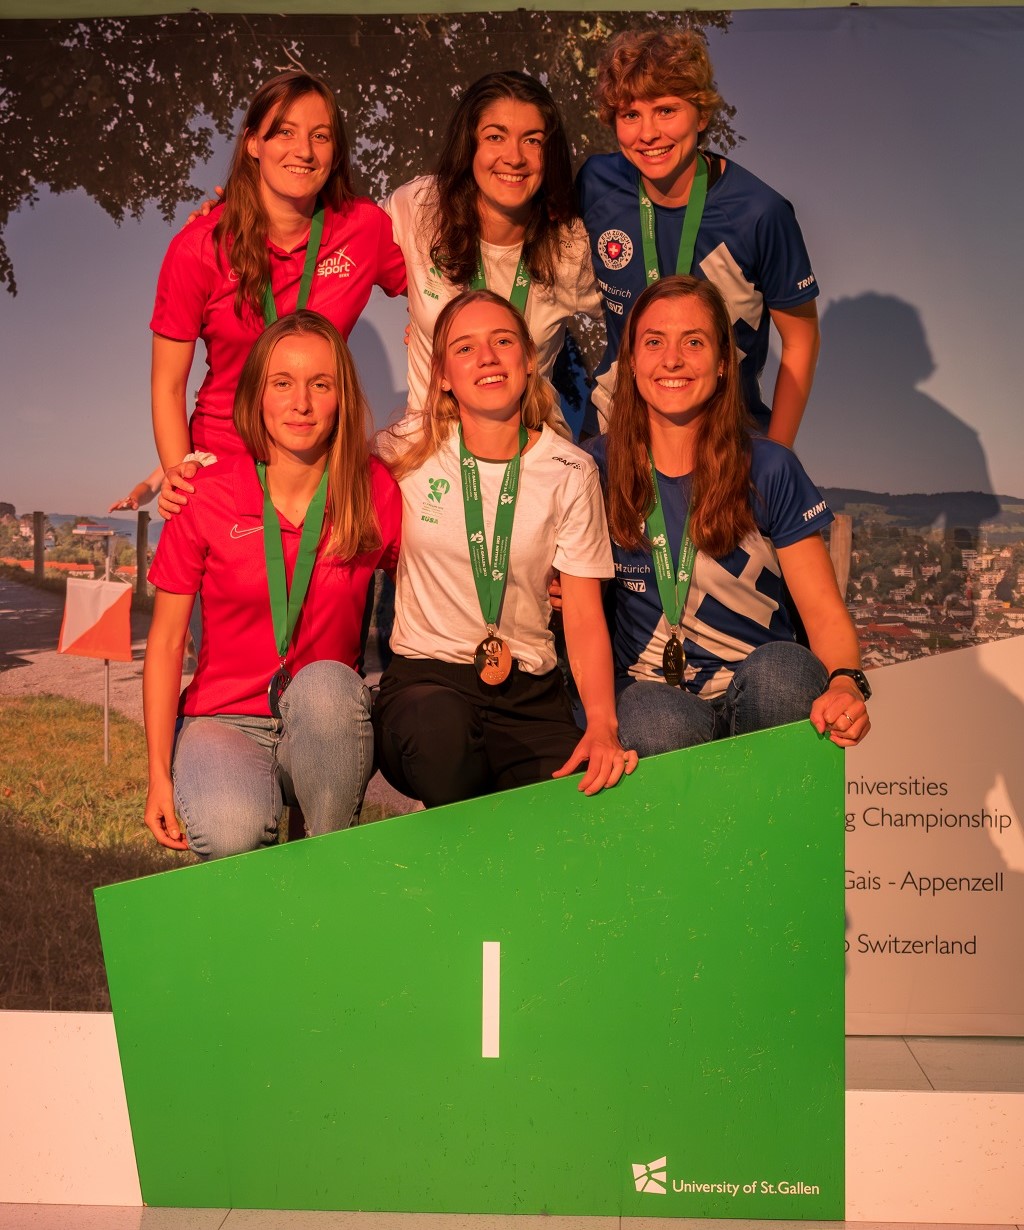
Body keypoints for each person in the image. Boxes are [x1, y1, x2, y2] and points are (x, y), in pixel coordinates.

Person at [143, 310, 401, 859]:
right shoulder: (203, 493)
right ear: (257, 395)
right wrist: (157, 776)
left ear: (342, 398)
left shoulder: (372, 489)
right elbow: (165, 644)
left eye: (320, 384)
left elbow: (434, 579)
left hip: (324, 718)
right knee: (231, 833)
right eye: (282, 383)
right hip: (222, 720)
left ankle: (326, 866)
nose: (300, 403)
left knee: (327, 686)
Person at [372, 289, 636, 808]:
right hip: (428, 686)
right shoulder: (405, 448)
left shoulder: (571, 471)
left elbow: (583, 615)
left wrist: (603, 725)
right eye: (465, 348)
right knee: (443, 737)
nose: (487, 358)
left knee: (585, 800)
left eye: (502, 341)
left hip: (529, 695)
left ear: (529, 358)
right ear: (442, 374)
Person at [589, 275, 869, 756]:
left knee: (785, 673)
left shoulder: (770, 466)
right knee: (652, 717)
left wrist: (846, 682)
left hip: (758, 687)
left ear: (723, 363)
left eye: (693, 342)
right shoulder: (592, 467)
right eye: (654, 342)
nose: (672, 360)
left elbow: (823, 612)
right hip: (654, 698)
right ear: (631, 361)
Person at [151, 70, 406, 483]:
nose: (304, 151)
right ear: (254, 142)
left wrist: (429, 331)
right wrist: (180, 476)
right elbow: (167, 384)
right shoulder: (199, 246)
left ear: (336, 151)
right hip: (223, 461)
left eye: (320, 136)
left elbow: (439, 290)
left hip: (319, 464)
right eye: (285, 132)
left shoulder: (363, 227)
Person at [577, 29, 820, 445]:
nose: (648, 133)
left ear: (702, 115)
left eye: (666, 110)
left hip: (723, 441)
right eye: (631, 115)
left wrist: (777, 455)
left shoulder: (759, 213)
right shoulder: (596, 183)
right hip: (614, 433)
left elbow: (801, 339)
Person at [382, 71, 602, 417]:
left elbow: (635, 322)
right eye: (495, 137)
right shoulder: (421, 205)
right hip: (429, 442)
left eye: (532, 140)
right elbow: (347, 249)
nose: (514, 157)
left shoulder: (570, 245)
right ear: (470, 144)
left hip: (528, 442)